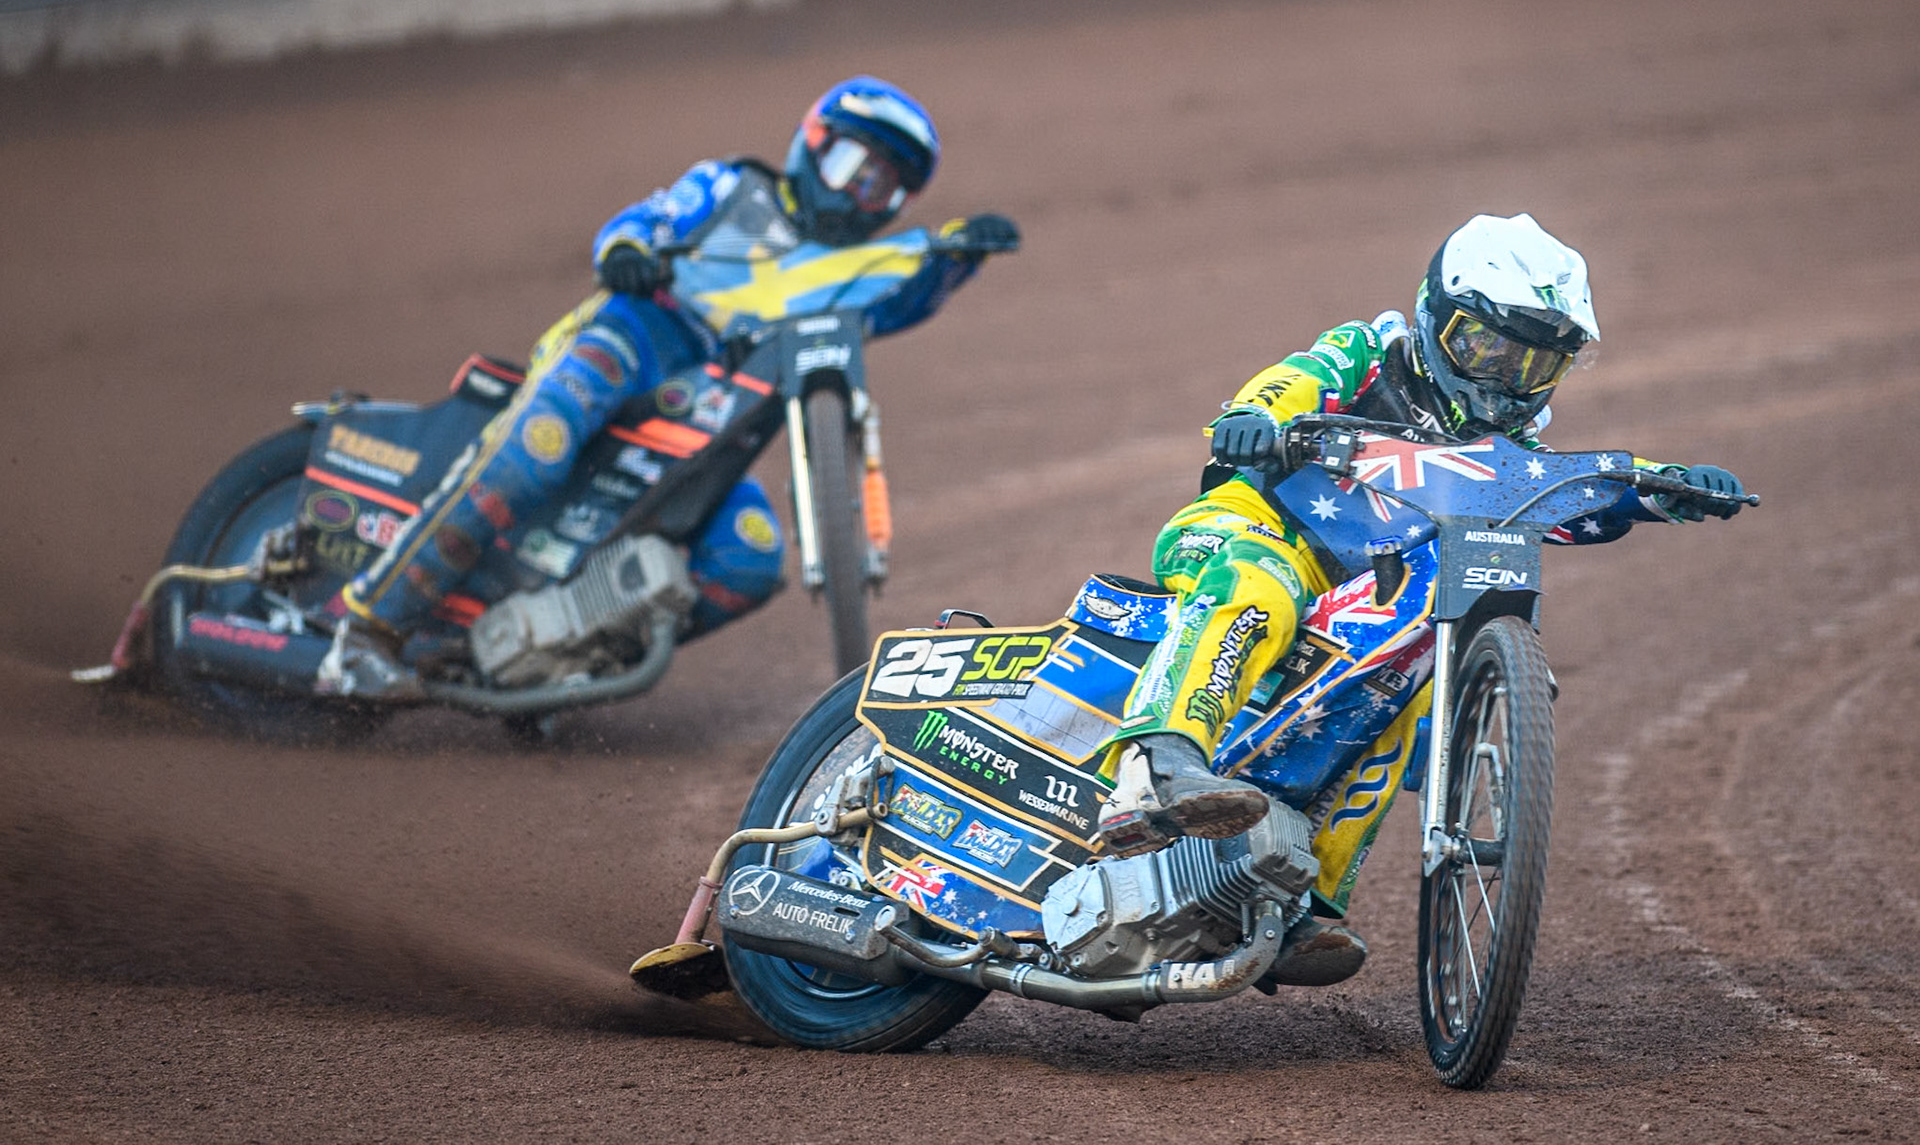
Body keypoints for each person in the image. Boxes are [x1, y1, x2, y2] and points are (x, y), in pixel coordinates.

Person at [1093, 212, 1746, 979]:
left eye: (1533, 364)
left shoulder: (1512, 445)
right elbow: (1296, 378)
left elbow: (1565, 490)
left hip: (1362, 595)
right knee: (1259, 591)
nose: (1505, 376)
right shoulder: (1373, 350)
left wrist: (1665, 488)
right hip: (1252, 528)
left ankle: (1302, 905)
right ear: (1439, 314)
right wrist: (1253, 417)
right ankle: (1164, 757)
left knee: (1408, 691)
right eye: (1488, 346)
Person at [317, 76, 1019, 698]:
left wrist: (960, 256)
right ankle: (366, 630)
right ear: (811, 145)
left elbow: (904, 291)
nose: (861, 192)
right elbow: (645, 222)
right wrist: (627, 251)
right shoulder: (731, 186)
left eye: (884, 184)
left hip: (708, 422)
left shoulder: (852, 269)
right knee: (539, 447)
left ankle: (557, 663)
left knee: (745, 555)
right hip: (635, 336)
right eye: (849, 165)